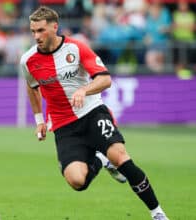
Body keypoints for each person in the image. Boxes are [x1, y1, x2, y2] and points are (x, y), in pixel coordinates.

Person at [20, 6, 169, 220]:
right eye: (33, 31)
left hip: (91, 113)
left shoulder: (77, 48)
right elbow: (31, 86)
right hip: (63, 125)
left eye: (41, 30)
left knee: (120, 157)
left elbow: (105, 79)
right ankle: (100, 160)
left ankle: (157, 213)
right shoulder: (28, 60)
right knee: (76, 181)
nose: (36, 36)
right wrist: (38, 120)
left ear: (54, 27)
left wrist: (84, 89)